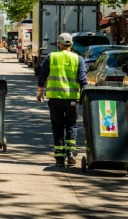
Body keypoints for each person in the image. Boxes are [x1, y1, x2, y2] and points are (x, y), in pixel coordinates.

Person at [36, 33, 87, 167]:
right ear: (71, 44)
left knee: (57, 126)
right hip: (71, 99)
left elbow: (42, 75)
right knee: (71, 125)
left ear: (59, 44)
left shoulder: (51, 57)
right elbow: (83, 80)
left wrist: (39, 91)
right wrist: (86, 95)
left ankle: (59, 158)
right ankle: (71, 152)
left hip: (55, 99)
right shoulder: (78, 59)